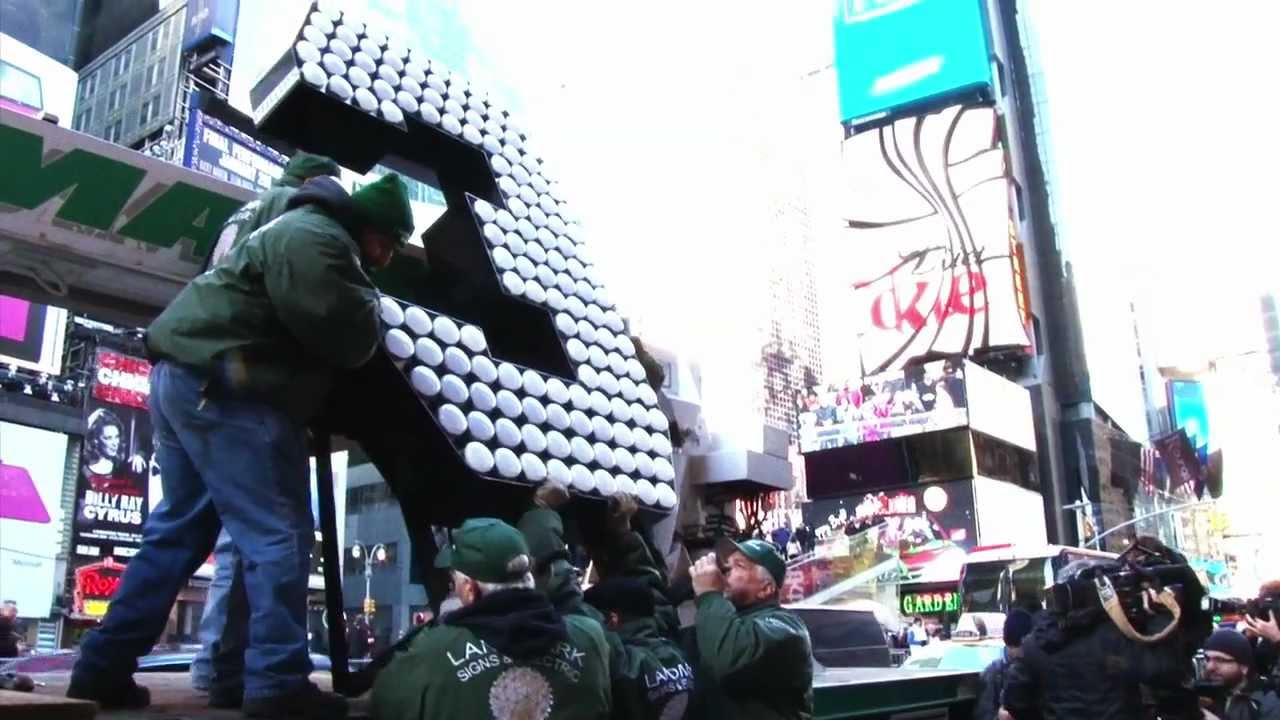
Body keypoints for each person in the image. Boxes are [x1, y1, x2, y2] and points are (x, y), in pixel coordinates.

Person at [68, 172, 414, 719]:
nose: (387, 257)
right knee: (279, 536)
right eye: (388, 243)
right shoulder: (319, 238)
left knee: (177, 534)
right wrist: (369, 304)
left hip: (186, 379)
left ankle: (103, 665)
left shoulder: (283, 223)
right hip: (226, 389)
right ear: (369, 228)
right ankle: (276, 682)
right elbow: (346, 336)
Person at [188, 151, 341, 702]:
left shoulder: (241, 211)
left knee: (199, 533)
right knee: (266, 538)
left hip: (198, 378)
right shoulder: (291, 211)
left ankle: (213, 670)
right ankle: (257, 677)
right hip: (243, 385)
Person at [371, 518, 612, 719]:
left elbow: (385, 704)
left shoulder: (426, 656)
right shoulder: (590, 639)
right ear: (530, 579)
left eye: (453, 583)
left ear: (469, 589)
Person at [519, 482, 692, 719]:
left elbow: (565, 595)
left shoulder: (619, 663)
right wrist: (623, 531)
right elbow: (649, 584)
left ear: (612, 619)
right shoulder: (670, 647)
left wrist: (541, 515)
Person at [999, 559, 1197, 720]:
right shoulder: (1124, 635)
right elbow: (1164, 674)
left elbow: (1015, 702)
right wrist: (1159, 615)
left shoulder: (1037, 641)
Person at [686, 537, 813, 719]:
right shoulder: (721, 619)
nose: (724, 572)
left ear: (766, 589)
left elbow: (728, 657)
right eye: (726, 566)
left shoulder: (788, 629)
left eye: (739, 566)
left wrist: (710, 595)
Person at [1199, 629, 1280, 720]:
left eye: (1220, 660)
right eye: (1207, 659)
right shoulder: (1201, 695)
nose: (1210, 667)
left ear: (1244, 667)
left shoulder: (1266, 701)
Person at [974, 608, 1032, 720]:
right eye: (1018, 647)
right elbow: (983, 714)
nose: (1022, 652)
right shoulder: (993, 673)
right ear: (1008, 643)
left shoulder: (1032, 665)